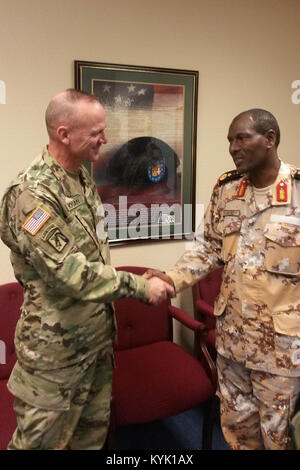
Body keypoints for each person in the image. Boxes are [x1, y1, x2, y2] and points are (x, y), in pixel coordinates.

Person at [0, 89, 174, 450]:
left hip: (95, 345)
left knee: (89, 441)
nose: (105, 139)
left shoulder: (79, 178)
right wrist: (141, 287)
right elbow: (71, 273)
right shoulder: (31, 195)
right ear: (64, 134)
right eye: (96, 132)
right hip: (55, 359)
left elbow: (94, 256)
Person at [144, 109, 300, 450]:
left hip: (283, 350)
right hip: (232, 341)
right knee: (236, 430)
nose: (233, 147)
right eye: (230, 140)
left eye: (242, 138)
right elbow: (208, 249)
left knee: (277, 437)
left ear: (270, 138)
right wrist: (170, 278)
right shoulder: (228, 190)